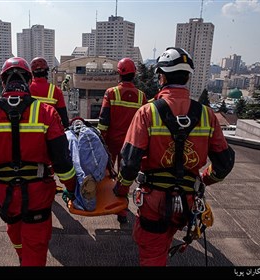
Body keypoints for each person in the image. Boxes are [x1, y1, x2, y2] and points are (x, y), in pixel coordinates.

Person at [113, 47, 235, 266]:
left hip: (154, 202)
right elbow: (224, 163)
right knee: (166, 239)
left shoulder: (147, 112)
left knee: (152, 254)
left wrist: (120, 190)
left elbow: (130, 162)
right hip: (188, 203)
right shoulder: (207, 115)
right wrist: (202, 179)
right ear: (188, 77)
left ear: (161, 76)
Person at [0, 56, 77, 266]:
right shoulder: (46, 113)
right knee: (35, 251)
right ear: (28, 80)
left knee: (18, 241)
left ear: (3, 82)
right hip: (38, 198)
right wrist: (71, 187)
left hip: (7, 200)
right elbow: (62, 161)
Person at [98, 57, 147, 223]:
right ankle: (122, 211)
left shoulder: (111, 93)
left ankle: (105, 203)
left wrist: (100, 142)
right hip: (131, 144)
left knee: (107, 174)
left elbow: (103, 122)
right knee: (124, 176)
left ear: (119, 74)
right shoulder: (142, 97)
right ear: (134, 75)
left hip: (111, 142)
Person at [29, 57, 69, 128]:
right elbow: (63, 116)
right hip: (51, 131)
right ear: (47, 71)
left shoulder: (27, 88)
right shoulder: (55, 90)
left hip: (31, 131)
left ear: (32, 73)